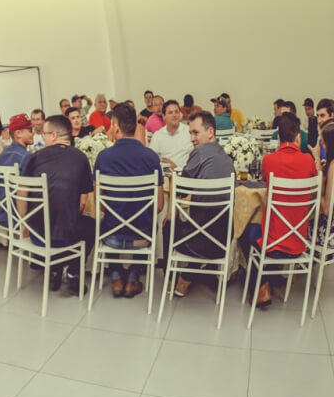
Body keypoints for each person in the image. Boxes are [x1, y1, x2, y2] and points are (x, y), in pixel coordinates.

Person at [239, 113, 317, 308]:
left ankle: (262, 285)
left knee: (244, 230)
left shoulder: (269, 160)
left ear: (279, 137)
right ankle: (268, 281)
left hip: (272, 242)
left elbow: (265, 181)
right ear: (298, 137)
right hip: (299, 242)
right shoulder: (308, 161)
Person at [95, 103, 164, 298]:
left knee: (105, 221)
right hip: (141, 238)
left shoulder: (103, 157)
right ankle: (133, 277)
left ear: (116, 127)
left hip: (112, 237)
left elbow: (100, 203)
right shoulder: (151, 157)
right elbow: (159, 206)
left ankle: (116, 276)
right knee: (151, 221)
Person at [20, 114, 95, 293]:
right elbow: (82, 203)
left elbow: (21, 193)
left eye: (45, 134)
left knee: (60, 222)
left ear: (53, 135)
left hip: (37, 235)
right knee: (89, 225)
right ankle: (73, 273)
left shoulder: (34, 157)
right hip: (66, 236)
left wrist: (24, 223)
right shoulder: (81, 158)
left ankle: (56, 267)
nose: (43, 138)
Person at [172, 111, 235, 297]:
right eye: (190, 133)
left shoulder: (199, 152)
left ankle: (176, 279)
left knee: (169, 225)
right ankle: (200, 275)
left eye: (195, 133)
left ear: (210, 132)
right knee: (205, 222)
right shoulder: (226, 157)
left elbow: (181, 190)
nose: (192, 138)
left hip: (196, 242)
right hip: (223, 240)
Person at [308, 121, 334, 249]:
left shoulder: (333, 166)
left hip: (330, 233)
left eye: (323, 143)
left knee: (302, 226)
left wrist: (317, 159)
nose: (322, 146)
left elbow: (326, 209)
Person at [149, 99, 193, 170]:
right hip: (166, 173)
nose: (174, 115)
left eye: (176, 112)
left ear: (180, 114)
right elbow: (151, 158)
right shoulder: (158, 135)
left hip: (186, 173)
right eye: (170, 113)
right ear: (164, 116)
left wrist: (175, 167)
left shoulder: (190, 132)